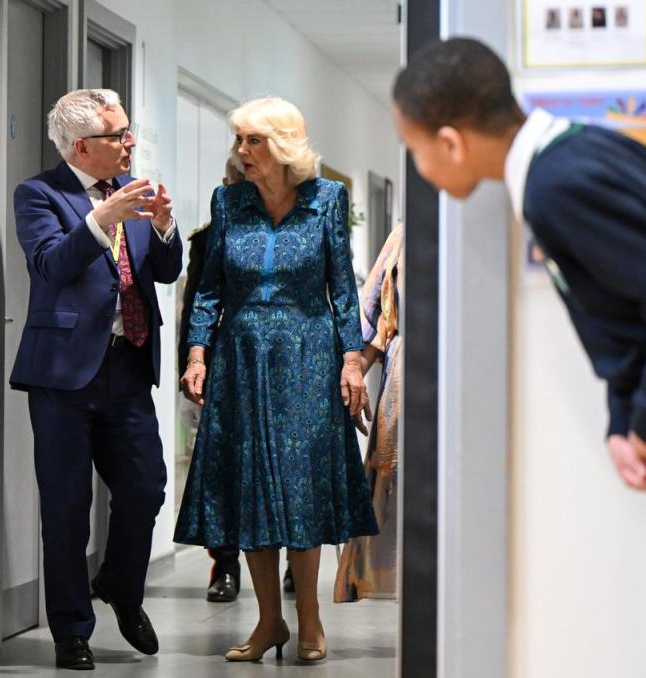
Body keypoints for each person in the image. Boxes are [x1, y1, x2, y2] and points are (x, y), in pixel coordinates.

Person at [392, 38, 646, 678]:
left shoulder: (560, 186)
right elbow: (636, 318)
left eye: (414, 149)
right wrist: (630, 428)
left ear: (451, 142)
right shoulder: (584, 151)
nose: (419, 167)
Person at [175, 96, 379, 663]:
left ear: (284, 146)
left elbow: (341, 288)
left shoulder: (327, 201)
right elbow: (210, 286)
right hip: (240, 359)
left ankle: (310, 620)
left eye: (253, 141)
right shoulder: (229, 202)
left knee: (299, 485)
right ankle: (269, 623)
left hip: (307, 357)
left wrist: (351, 359)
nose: (241, 152)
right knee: (249, 490)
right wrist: (197, 353)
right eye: (239, 140)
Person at [10, 88, 182, 670]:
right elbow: (50, 265)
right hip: (63, 375)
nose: (130, 142)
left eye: (129, 131)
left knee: (146, 486)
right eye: (119, 135)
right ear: (82, 146)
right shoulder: (39, 194)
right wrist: (99, 220)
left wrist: (162, 228)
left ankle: (120, 585)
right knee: (66, 506)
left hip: (127, 367)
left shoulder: (129, 193)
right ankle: (71, 631)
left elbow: (165, 270)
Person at [177, 159, 244, 604]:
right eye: (238, 179)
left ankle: (295, 555)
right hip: (223, 364)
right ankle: (225, 564)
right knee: (224, 469)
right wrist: (191, 362)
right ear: (225, 184)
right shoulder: (207, 239)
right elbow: (195, 305)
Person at [334, 224, 404, 602]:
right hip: (404, 382)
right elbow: (372, 315)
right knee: (403, 493)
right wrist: (352, 373)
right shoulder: (402, 236)